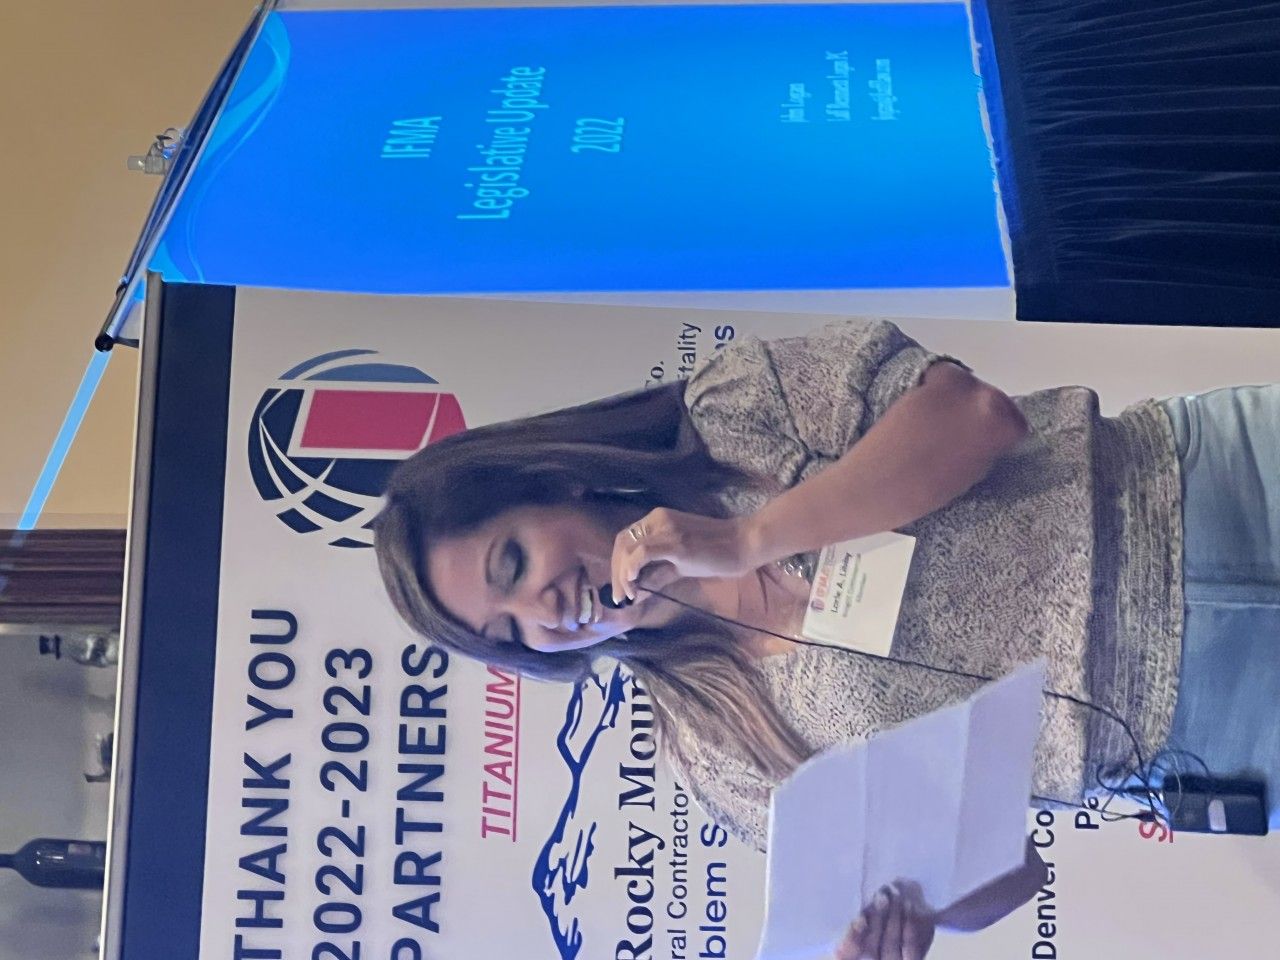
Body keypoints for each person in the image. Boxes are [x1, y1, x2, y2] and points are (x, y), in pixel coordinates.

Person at [375, 318, 1280, 959]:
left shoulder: (731, 413)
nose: (544, 607)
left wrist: (749, 537)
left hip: (1217, 483)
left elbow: (975, 418)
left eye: (512, 563)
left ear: (548, 481)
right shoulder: (716, 749)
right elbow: (1010, 872)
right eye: (509, 629)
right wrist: (913, 913)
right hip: (1219, 719)